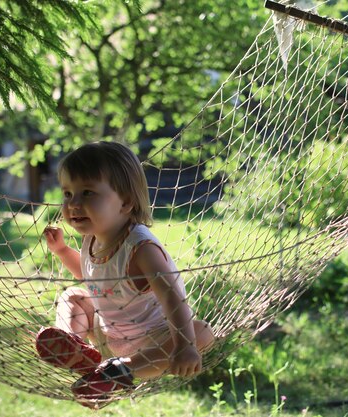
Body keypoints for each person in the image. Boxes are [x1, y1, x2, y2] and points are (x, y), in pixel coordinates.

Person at [36, 141, 214, 409]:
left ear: (126, 202)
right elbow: (91, 278)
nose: (73, 204)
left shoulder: (141, 249)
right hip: (107, 334)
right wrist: (62, 250)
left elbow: (173, 298)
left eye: (87, 193)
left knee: (201, 334)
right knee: (73, 296)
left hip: (151, 341)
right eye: (68, 194)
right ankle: (74, 347)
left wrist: (185, 345)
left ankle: (118, 373)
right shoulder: (92, 238)